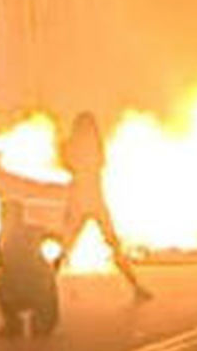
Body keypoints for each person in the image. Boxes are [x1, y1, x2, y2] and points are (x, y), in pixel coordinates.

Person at [60, 112, 151, 301]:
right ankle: (135, 286)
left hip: (83, 200)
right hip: (92, 200)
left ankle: (46, 284)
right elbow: (98, 164)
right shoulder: (91, 146)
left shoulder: (72, 146)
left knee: (67, 246)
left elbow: (68, 166)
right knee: (111, 244)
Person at [0, 200, 60, 339]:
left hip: (30, 281)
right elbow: (0, 261)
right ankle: (13, 323)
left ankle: (34, 322)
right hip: (17, 283)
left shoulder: (30, 231)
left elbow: (56, 239)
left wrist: (53, 264)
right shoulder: (4, 235)